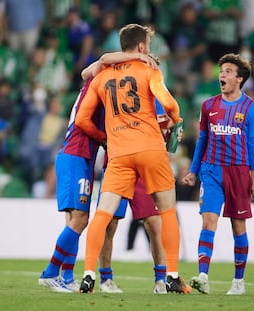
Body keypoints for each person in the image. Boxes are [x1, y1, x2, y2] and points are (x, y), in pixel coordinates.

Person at [74, 24, 182, 294]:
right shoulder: (149, 71)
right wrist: (174, 122)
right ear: (142, 47)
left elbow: (82, 117)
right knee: (162, 216)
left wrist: (104, 139)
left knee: (104, 217)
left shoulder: (101, 75)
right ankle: (168, 276)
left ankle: (90, 274)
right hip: (148, 151)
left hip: (118, 153)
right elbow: (168, 104)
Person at [37, 51, 157, 293]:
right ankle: (50, 273)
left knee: (75, 219)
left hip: (81, 158)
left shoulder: (99, 86)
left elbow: (86, 71)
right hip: (76, 155)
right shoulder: (100, 83)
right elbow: (98, 67)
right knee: (80, 220)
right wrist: (105, 139)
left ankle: (67, 276)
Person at [182, 53, 254, 295]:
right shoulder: (208, 105)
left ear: (239, 79)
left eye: (228, 71)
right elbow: (202, 140)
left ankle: (238, 282)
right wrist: (193, 171)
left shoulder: (253, 109)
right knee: (208, 220)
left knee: (238, 227)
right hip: (212, 170)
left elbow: (253, 147)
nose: (222, 75)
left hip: (238, 172)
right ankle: (203, 276)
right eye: (222, 71)